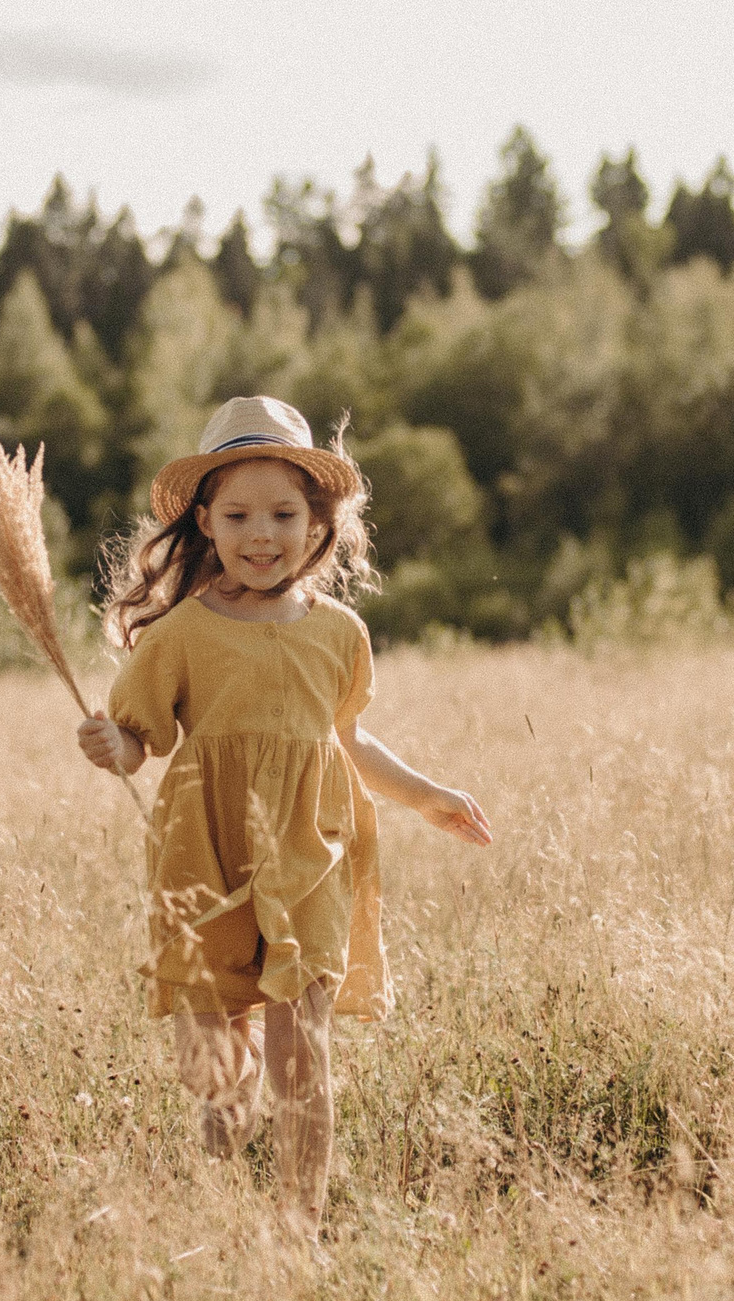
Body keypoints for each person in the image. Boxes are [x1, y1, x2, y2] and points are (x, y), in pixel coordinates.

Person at [74, 395, 493, 1236]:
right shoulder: (183, 633)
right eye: (237, 514)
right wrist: (113, 746)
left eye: (282, 513)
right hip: (207, 853)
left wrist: (426, 795)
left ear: (317, 524)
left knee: (304, 1050)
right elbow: (140, 739)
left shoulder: (339, 632)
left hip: (310, 853)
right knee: (218, 1066)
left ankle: (300, 1226)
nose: (260, 533)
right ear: (205, 521)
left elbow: (346, 739)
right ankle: (224, 1220)